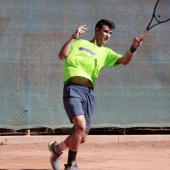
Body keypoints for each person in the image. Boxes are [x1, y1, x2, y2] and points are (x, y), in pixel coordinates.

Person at [48, 19, 142, 170]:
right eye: (105, 31)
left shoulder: (106, 52)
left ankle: (57, 149)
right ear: (97, 30)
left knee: (81, 136)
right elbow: (62, 55)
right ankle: (71, 164)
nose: (108, 36)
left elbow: (124, 60)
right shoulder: (79, 43)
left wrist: (133, 48)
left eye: (110, 33)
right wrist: (74, 36)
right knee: (80, 125)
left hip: (88, 93)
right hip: (72, 89)